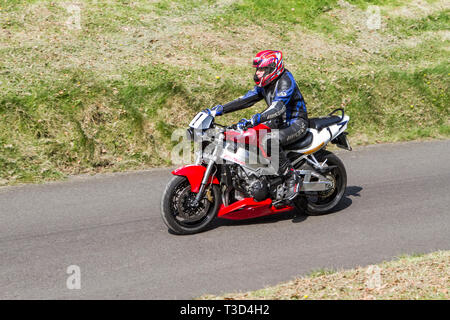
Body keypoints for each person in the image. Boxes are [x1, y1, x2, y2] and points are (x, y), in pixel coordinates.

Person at [204, 50, 308, 201]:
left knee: (269, 141)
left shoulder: (285, 81)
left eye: (262, 69)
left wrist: (257, 118)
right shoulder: (265, 84)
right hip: (278, 123)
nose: (258, 73)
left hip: (296, 123)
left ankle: (291, 177)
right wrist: (219, 109)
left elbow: (278, 107)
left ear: (273, 68)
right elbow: (246, 99)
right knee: (247, 138)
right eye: (257, 69)